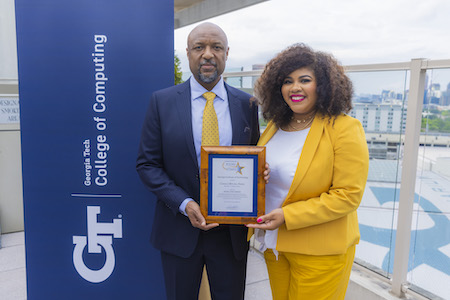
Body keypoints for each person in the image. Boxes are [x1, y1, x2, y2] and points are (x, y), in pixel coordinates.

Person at [136, 22, 261, 300]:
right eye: (199, 47)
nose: (207, 54)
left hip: (230, 235)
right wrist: (185, 203)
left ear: (227, 53)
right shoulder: (162, 102)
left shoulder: (247, 104)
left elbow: (253, 158)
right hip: (179, 229)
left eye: (216, 47)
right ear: (188, 53)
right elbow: (147, 164)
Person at [247, 44, 369, 300]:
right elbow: (277, 175)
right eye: (287, 81)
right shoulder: (275, 126)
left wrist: (287, 216)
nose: (295, 88)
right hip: (275, 245)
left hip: (319, 251)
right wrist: (262, 175)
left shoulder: (344, 128)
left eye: (305, 80)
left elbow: (348, 195)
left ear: (323, 85)